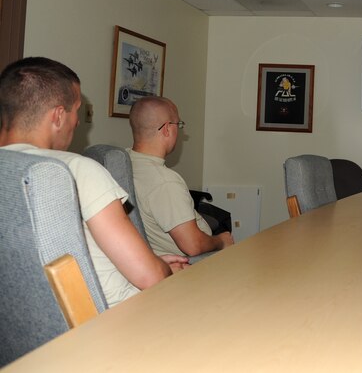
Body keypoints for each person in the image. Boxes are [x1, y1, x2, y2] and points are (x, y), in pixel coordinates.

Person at [0, 57, 188, 307]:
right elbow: (149, 277)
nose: (77, 122)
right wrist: (166, 272)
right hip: (120, 317)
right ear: (58, 116)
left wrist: (152, 259)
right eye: (75, 110)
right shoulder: (76, 171)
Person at [128, 96, 234, 257]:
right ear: (167, 129)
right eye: (179, 124)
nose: (179, 130)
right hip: (189, 265)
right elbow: (193, 246)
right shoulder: (165, 182)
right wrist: (221, 241)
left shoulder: (124, 161)